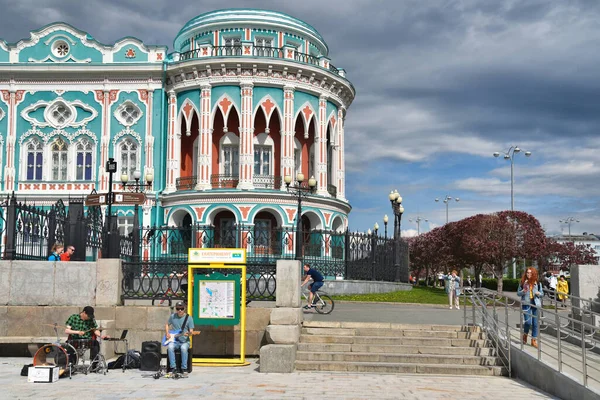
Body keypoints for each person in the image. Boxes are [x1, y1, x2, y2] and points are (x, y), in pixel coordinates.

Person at [517, 267, 543, 348]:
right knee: (528, 322)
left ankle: (534, 340)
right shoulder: (523, 282)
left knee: (535, 323)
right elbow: (518, 293)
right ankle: (525, 335)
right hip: (526, 303)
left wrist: (539, 293)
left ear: (534, 274)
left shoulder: (538, 283)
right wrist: (523, 291)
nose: (528, 274)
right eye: (527, 273)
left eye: (530, 273)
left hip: (535, 303)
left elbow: (542, 293)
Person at [165, 301, 194, 374]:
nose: (180, 310)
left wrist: (189, 334)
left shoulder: (189, 318)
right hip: (175, 340)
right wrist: (167, 333)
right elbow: (167, 324)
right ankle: (173, 367)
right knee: (170, 347)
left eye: (181, 308)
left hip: (185, 341)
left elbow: (191, 331)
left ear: (185, 308)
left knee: (183, 348)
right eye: (178, 309)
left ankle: (184, 368)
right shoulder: (173, 316)